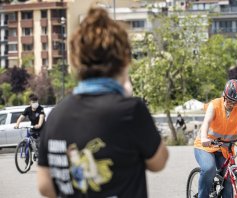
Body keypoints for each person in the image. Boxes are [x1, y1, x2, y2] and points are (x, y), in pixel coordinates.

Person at [36, 7, 168, 198]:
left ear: (75, 62)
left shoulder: (56, 116)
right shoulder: (130, 111)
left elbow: (44, 185)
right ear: (123, 60)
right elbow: (159, 162)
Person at [193, 79, 237, 198]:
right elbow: (206, 123)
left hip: (225, 149)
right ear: (224, 95)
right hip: (205, 146)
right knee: (209, 169)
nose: (232, 104)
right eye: (229, 100)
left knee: (230, 178)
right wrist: (204, 138)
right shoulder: (215, 105)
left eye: (236, 102)